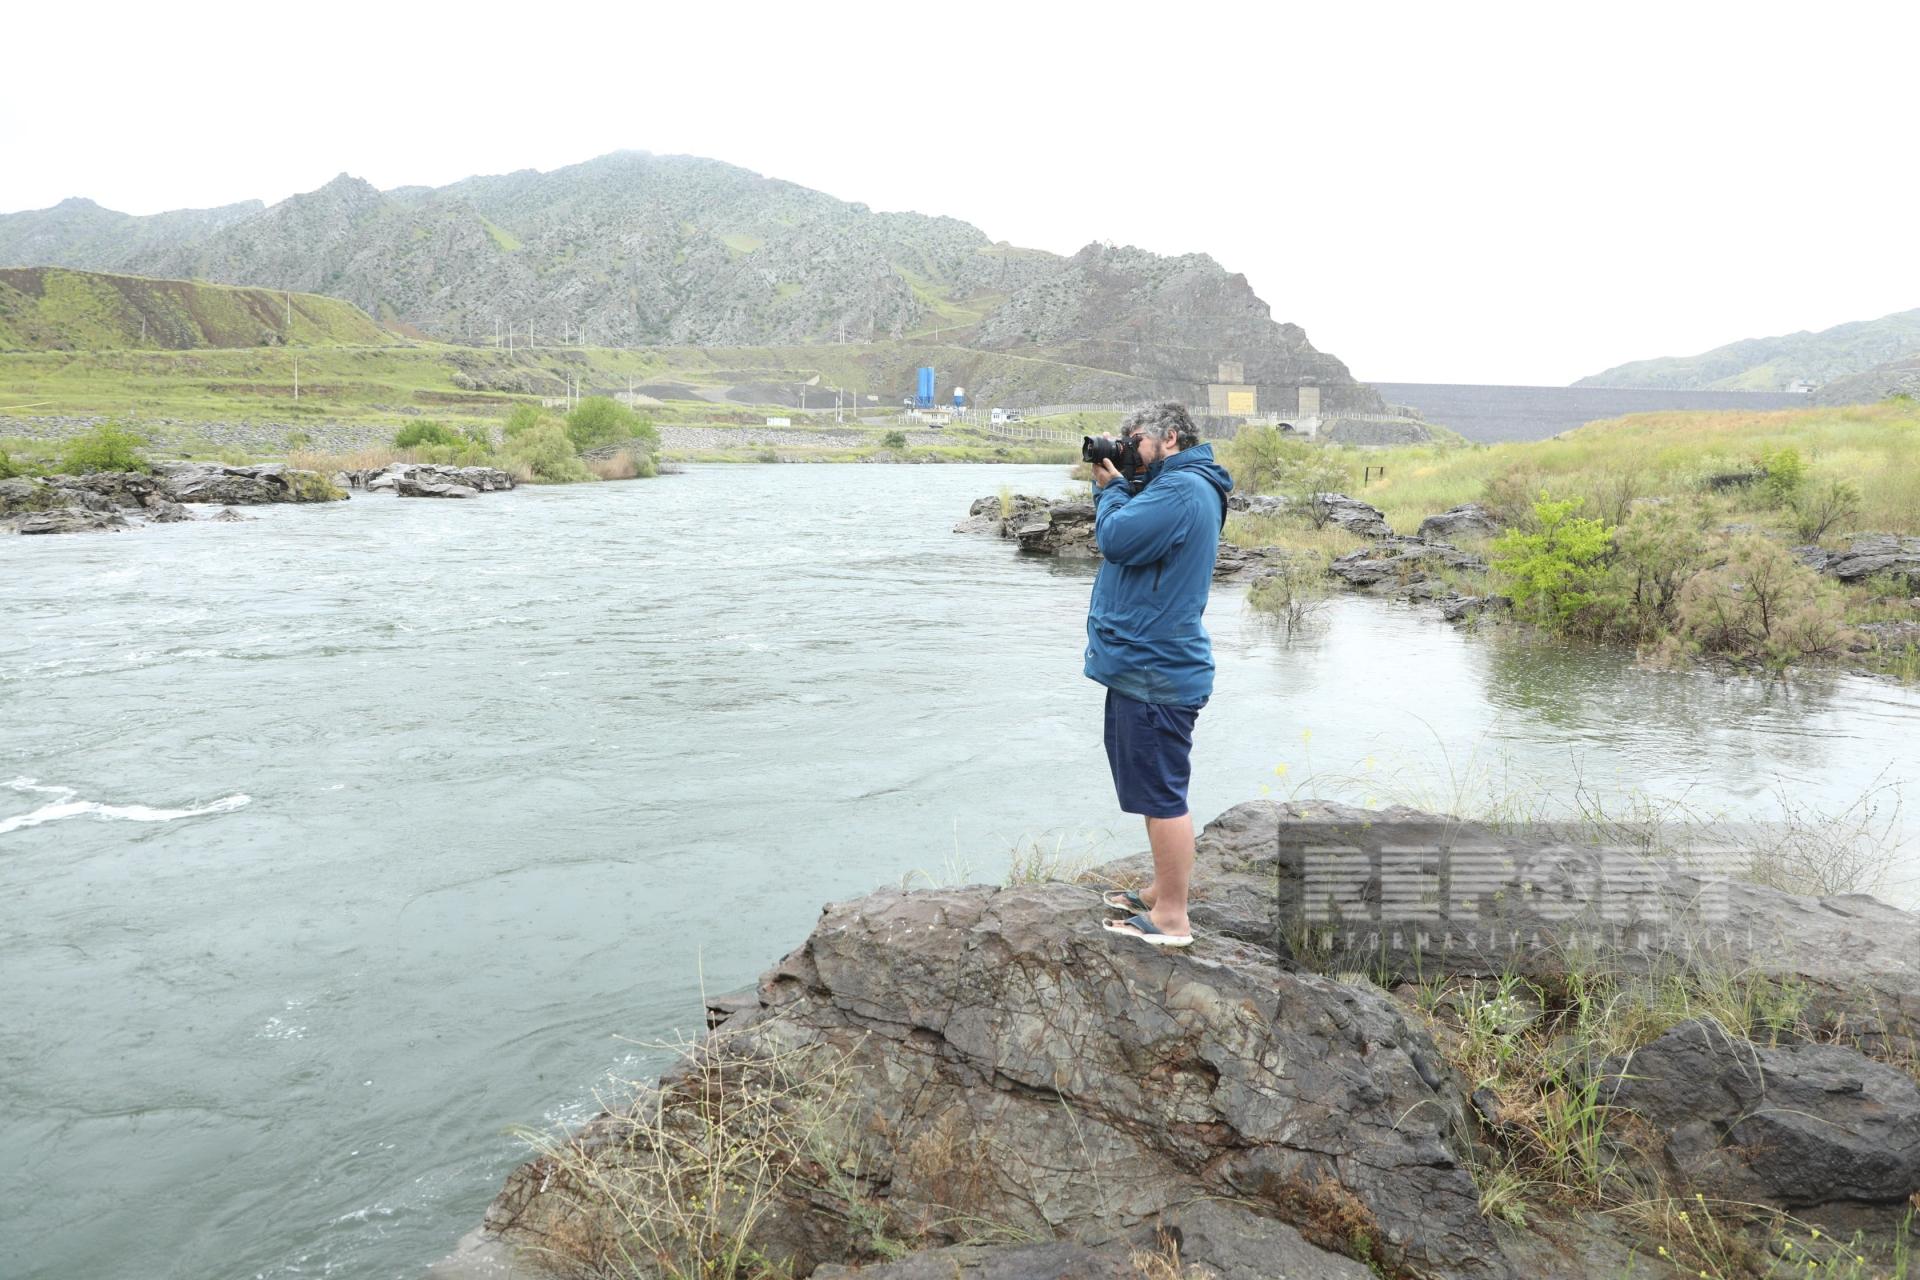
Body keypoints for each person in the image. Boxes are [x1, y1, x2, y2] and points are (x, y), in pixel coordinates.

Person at [1083, 402, 1233, 947]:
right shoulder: (1174, 485)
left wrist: (1109, 488)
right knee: (1150, 788)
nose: (1127, 447)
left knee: (1163, 793)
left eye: (1135, 438)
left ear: (1169, 437)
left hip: (1155, 668)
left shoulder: (1183, 489)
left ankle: (1172, 917)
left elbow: (1118, 538)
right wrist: (1126, 475)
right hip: (1147, 663)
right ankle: (1158, 891)